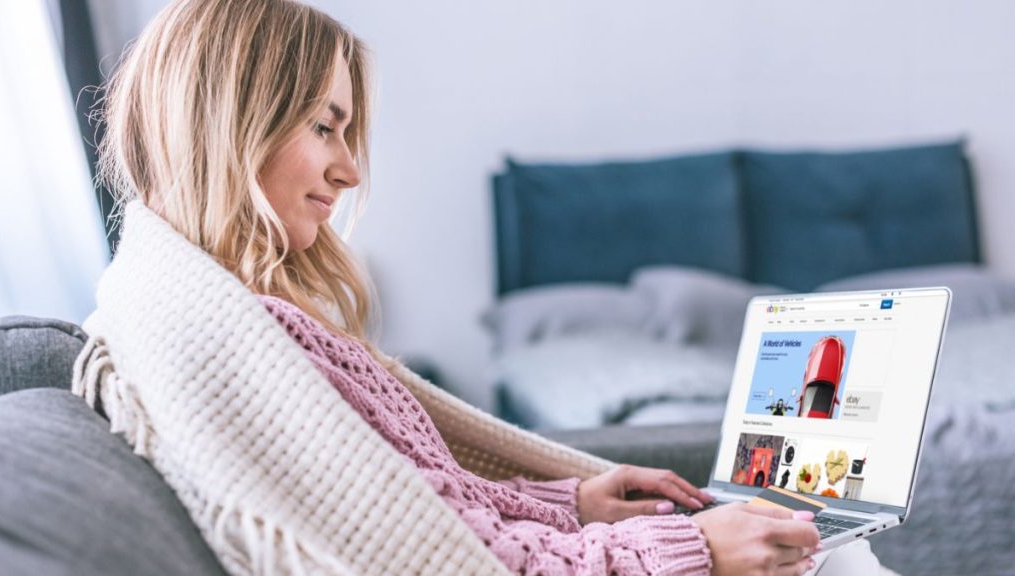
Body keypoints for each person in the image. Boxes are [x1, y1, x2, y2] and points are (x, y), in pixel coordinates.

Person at [87, 0, 895, 574]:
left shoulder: (232, 315)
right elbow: (440, 556)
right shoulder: (240, 345)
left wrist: (572, 502)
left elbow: (434, 506)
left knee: (833, 544)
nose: (349, 168)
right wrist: (695, 551)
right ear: (231, 121)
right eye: (324, 127)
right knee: (843, 552)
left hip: (592, 542)